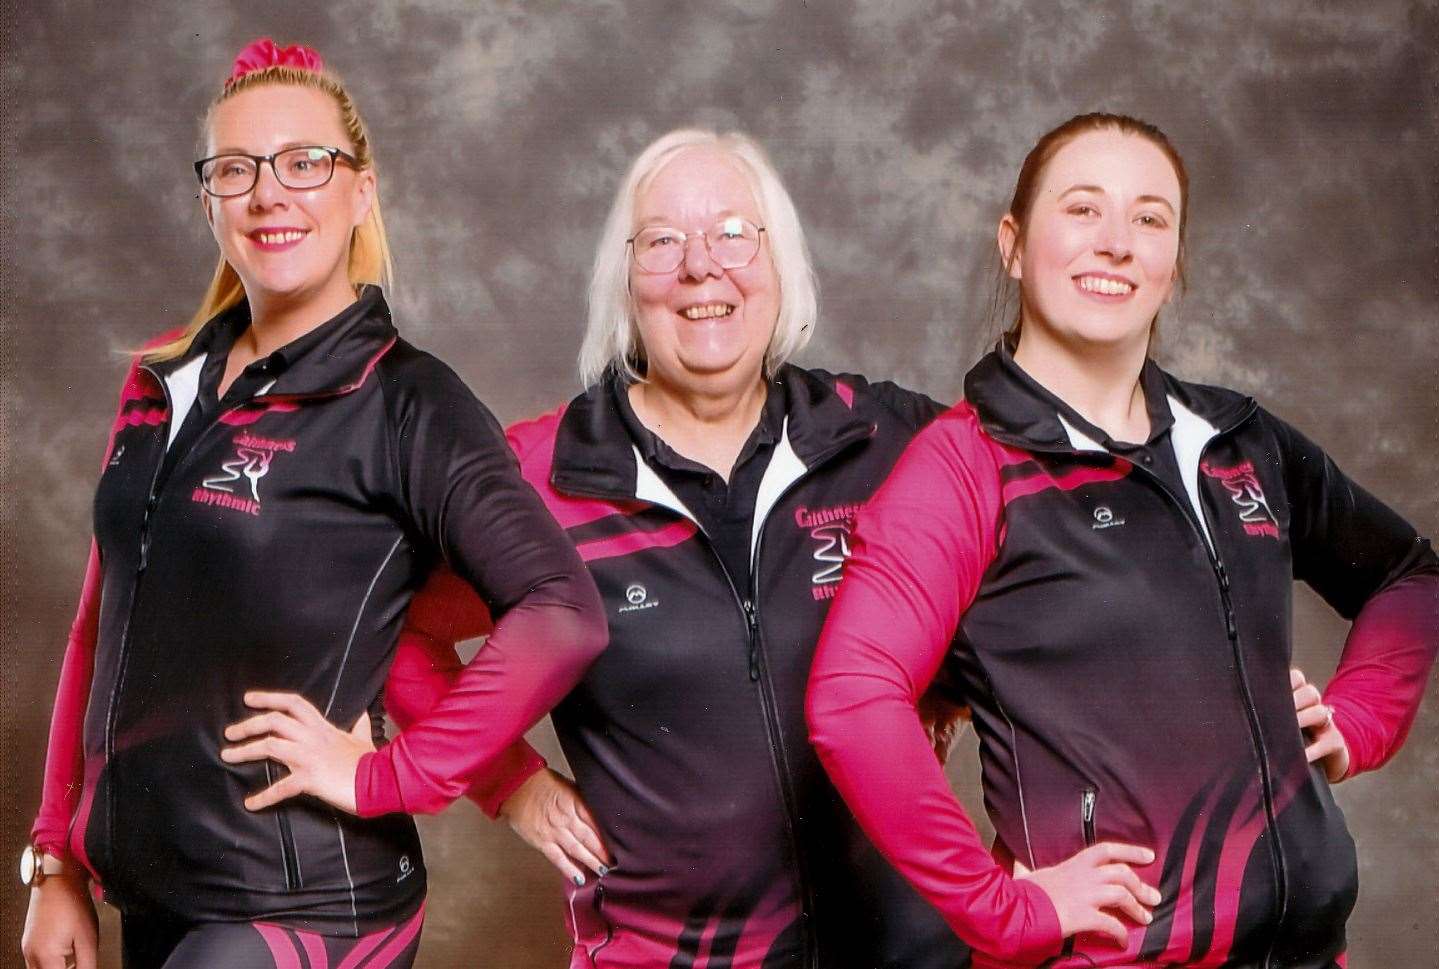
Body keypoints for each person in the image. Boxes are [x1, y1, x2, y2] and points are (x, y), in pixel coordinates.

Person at [21, 38, 606, 969]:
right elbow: (99, 626)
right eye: (237, 169)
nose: (269, 193)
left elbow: (561, 613)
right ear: (207, 198)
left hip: (304, 905)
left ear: (360, 190)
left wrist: (395, 773)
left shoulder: (409, 400)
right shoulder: (158, 382)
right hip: (152, 891)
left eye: (305, 162)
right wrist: (56, 860)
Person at [805, 112, 1439, 968]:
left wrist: (1358, 721)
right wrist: (1002, 909)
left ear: (1172, 263)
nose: (1115, 243)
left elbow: (1407, 573)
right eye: (1081, 209)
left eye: (1149, 218)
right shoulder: (965, 465)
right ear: (1013, 243)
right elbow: (851, 699)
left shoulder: (1238, 439)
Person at [391, 128, 972, 968]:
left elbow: (1031, 561)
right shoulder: (545, 478)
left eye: (734, 232)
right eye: (663, 241)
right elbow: (394, 623)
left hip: (911, 948)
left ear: (780, 263)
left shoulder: (881, 438)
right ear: (625, 279)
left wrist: (950, 676)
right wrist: (507, 783)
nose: (703, 267)